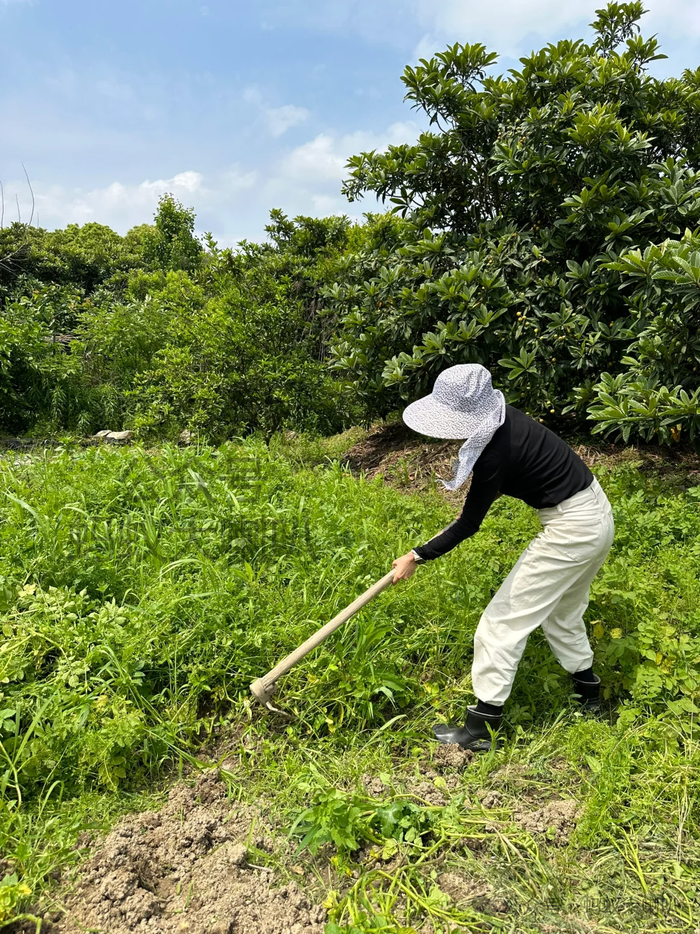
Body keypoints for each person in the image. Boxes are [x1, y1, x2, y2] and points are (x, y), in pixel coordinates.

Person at [391, 364, 615, 751]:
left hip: (572, 529)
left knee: (501, 622)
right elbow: (491, 493)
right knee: (562, 614)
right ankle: (590, 697)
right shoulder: (505, 420)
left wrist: (417, 555)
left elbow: (469, 524)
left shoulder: (495, 452)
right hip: (596, 515)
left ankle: (480, 730)